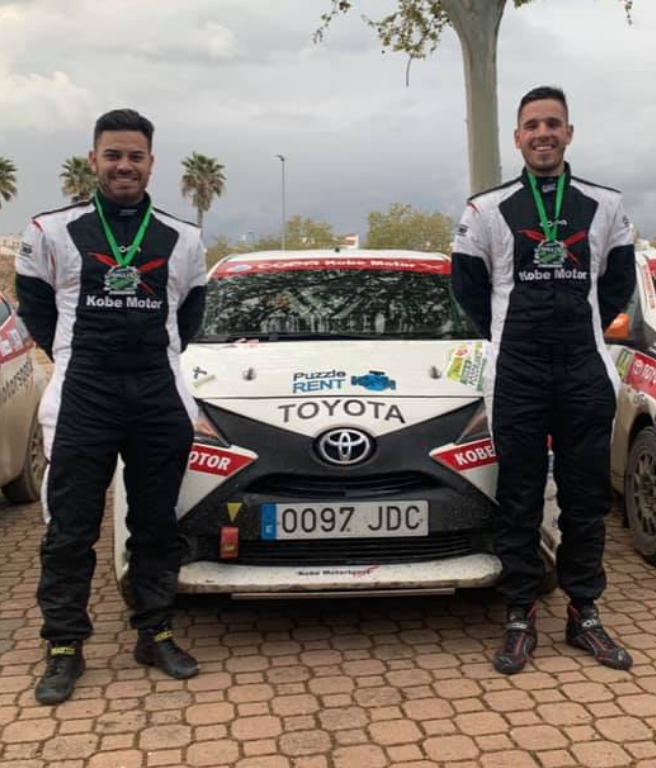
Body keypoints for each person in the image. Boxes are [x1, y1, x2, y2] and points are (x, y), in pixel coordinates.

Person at [15, 108, 207, 704]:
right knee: (70, 528)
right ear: (94, 159)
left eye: (135, 156)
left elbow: (190, 315)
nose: (125, 165)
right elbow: (36, 306)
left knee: (156, 524)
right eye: (113, 154)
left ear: (151, 163)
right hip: (84, 394)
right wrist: (80, 355)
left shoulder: (184, 238)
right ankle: (64, 646)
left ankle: (155, 633)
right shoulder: (51, 230)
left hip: (157, 394)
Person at [451, 86, 636, 675]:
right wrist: (511, 335)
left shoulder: (605, 205)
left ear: (569, 133)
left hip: (584, 366)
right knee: (519, 495)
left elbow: (618, 284)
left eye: (553, 123)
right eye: (532, 125)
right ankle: (519, 613)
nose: (543, 133)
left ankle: (585, 613)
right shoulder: (486, 209)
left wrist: (582, 330)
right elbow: (467, 288)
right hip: (518, 370)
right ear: (517, 137)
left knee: (586, 498)